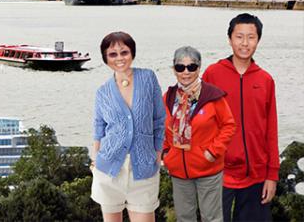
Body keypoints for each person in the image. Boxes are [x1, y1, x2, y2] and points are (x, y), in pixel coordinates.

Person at [202, 13, 279, 222]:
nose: (245, 43)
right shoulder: (212, 74)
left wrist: (271, 175)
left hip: (256, 175)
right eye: (239, 36)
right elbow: (200, 123)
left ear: (258, 40)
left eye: (251, 37)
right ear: (229, 39)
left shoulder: (265, 80)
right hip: (218, 175)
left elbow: (271, 130)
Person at [91, 31, 166, 222]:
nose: (119, 58)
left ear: (132, 53)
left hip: (144, 168)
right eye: (112, 54)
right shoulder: (102, 92)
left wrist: (157, 154)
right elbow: (99, 128)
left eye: (124, 52)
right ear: (105, 58)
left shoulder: (148, 78)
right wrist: (96, 158)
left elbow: (159, 119)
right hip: (109, 170)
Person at [162, 46, 236, 222]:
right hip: (179, 172)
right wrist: (166, 153)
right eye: (180, 67)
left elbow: (229, 125)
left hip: (208, 170)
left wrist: (212, 152)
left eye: (191, 67)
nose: (186, 72)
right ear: (174, 69)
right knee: (184, 217)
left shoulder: (213, 96)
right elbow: (163, 128)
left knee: (211, 218)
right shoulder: (168, 97)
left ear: (199, 67)